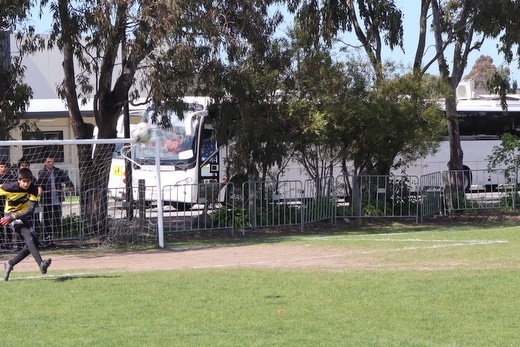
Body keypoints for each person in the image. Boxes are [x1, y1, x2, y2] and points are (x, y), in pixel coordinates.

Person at [0, 168, 52, 281]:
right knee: (28, 236)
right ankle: (41, 264)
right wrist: (10, 217)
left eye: (28, 181)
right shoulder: (8, 187)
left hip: (20, 216)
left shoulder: (33, 189)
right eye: (23, 181)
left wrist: (14, 216)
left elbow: (30, 210)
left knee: (35, 243)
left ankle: (10, 263)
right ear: (19, 180)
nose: (26, 184)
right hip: (10, 216)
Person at [36, 155, 75, 240]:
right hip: (47, 199)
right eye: (49, 162)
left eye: (52, 162)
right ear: (45, 162)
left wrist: (70, 186)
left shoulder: (58, 171)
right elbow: (40, 183)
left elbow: (66, 179)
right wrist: (50, 189)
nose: (51, 163)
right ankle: (47, 236)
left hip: (57, 199)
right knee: (47, 218)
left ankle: (56, 235)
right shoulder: (42, 172)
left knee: (57, 217)